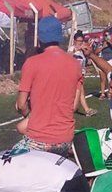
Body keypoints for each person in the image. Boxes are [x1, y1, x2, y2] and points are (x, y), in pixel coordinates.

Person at [14, 17, 83, 156]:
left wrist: (29, 115)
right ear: (60, 37)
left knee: (9, 161)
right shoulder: (75, 64)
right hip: (66, 139)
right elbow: (74, 106)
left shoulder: (32, 63)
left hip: (39, 139)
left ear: (39, 38)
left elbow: (21, 104)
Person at [70, 31, 96, 116]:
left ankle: (86, 110)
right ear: (74, 41)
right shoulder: (72, 49)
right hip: (73, 75)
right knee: (80, 92)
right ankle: (86, 110)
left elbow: (87, 62)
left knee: (81, 93)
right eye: (78, 41)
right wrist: (76, 50)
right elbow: (68, 57)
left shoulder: (82, 51)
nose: (80, 43)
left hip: (81, 75)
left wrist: (88, 52)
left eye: (81, 41)